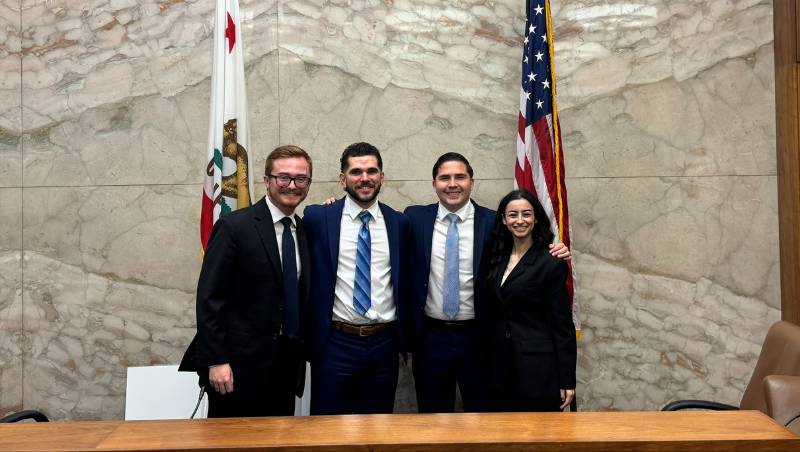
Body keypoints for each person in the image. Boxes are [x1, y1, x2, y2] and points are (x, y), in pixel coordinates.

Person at [404, 153, 570, 413]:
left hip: (480, 339)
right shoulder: (413, 219)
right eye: (444, 178)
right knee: (432, 421)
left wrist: (554, 249)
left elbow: (525, 243)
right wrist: (334, 206)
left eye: (460, 177)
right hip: (430, 340)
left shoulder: (494, 222)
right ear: (434, 183)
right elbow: (382, 224)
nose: (452, 184)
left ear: (472, 182)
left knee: (484, 419)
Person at [190, 145, 313, 417]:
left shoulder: (303, 231)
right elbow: (210, 299)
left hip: (286, 367)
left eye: (300, 178)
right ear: (267, 180)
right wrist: (216, 361)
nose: (292, 185)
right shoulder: (234, 227)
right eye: (283, 177)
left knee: (278, 448)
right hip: (236, 368)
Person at [302, 142, 411, 415]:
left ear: (382, 177)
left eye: (372, 171)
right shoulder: (318, 217)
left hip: (384, 346)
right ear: (343, 179)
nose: (365, 178)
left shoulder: (399, 223)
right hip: (335, 343)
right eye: (356, 172)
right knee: (326, 429)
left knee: (378, 429)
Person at [484, 189, 577, 412]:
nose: (520, 220)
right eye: (513, 215)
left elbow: (563, 326)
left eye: (526, 214)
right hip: (501, 367)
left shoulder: (551, 261)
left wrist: (567, 379)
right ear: (504, 220)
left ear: (536, 218)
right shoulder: (496, 257)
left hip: (538, 371)